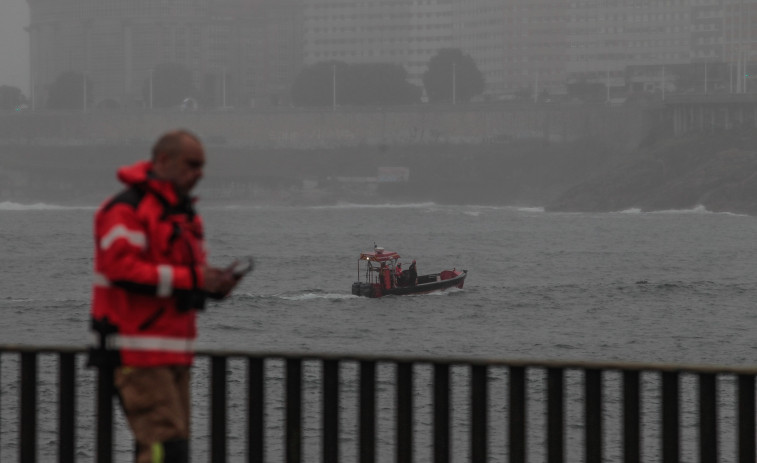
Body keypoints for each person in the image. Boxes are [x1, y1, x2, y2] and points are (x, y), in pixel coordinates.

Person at [88, 129, 244, 463]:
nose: (198, 173)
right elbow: (122, 270)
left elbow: (178, 279)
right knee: (166, 450)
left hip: (173, 354)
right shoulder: (127, 209)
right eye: (191, 164)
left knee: (167, 448)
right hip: (138, 354)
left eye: (202, 166)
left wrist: (211, 284)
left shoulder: (181, 215)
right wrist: (194, 278)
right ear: (163, 161)